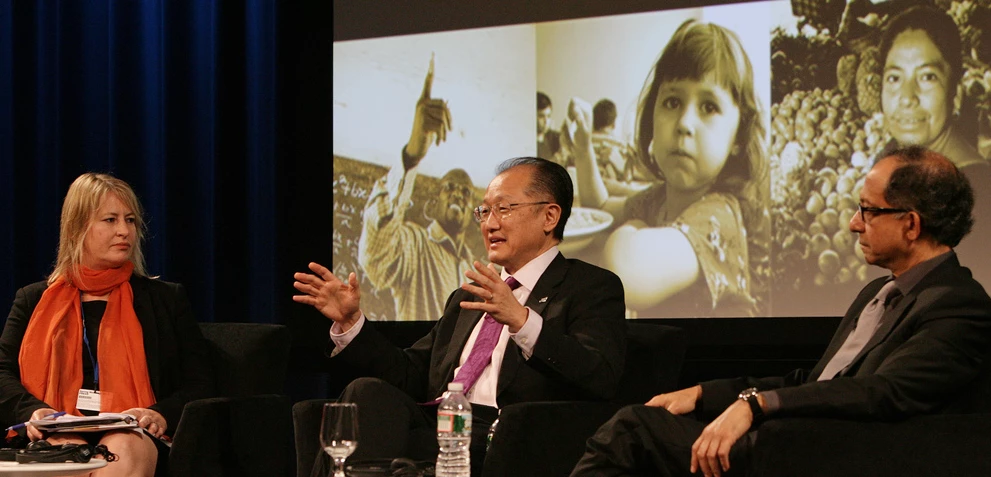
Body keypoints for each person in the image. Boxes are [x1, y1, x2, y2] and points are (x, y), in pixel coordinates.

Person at [571, 146, 991, 477]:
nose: (852, 223)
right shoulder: (877, 293)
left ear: (911, 225)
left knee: (631, 431)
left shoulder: (959, 305)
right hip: (790, 441)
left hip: (822, 455)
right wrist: (704, 394)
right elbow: (812, 382)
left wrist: (755, 406)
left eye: (868, 210)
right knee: (646, 424)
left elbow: (882, 393)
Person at [294, 157, 627, 476]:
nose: (489, 223)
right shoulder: (467, 297)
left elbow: (599, 375)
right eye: (484, 211)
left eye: (504, 209)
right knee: (366, 392)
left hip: (507, 433)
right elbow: (412, 376)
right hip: (441, 421)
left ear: (549, 217)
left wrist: (521, 320)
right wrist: (352, 323)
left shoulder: (589, 287)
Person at [0, 173, 214, 477]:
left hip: (136, 432)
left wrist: (159, 413)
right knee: (64, 448)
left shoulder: (164, 299)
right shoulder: (34, 299)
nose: (124, 231)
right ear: (77, 228)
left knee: (124, 446)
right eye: (110, 220)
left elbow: (200, 381)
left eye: (130, 220)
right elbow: (2, 371)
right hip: (58, 429)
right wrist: (32, 411)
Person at [571, 19, 770, 317]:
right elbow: (597, 207)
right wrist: (583, 148)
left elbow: (627, 272)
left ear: (738, 138)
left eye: (708, 107)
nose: (684, 124)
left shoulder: (719, 215)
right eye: (673, 102)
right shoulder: (658, 198)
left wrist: (636, 225)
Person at [877, 5, 991, 287]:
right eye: (894, 78)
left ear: (955, 93)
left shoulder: (980, 194)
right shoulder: (889, 163)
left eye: (927, 77)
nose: (907, 97)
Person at [357, 55, 476, 321]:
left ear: (472, 214)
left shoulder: (476, 270)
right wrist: (412, 156)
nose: (459, 193)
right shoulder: (415, 245)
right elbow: (375, 255)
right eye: (450, 188)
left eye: (466, 192)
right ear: (431, 206)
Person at [537, 91, 563, 163]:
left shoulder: (553, 136)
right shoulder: (526, 142)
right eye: (541, 116)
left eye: (548, 116)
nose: (546, 121)